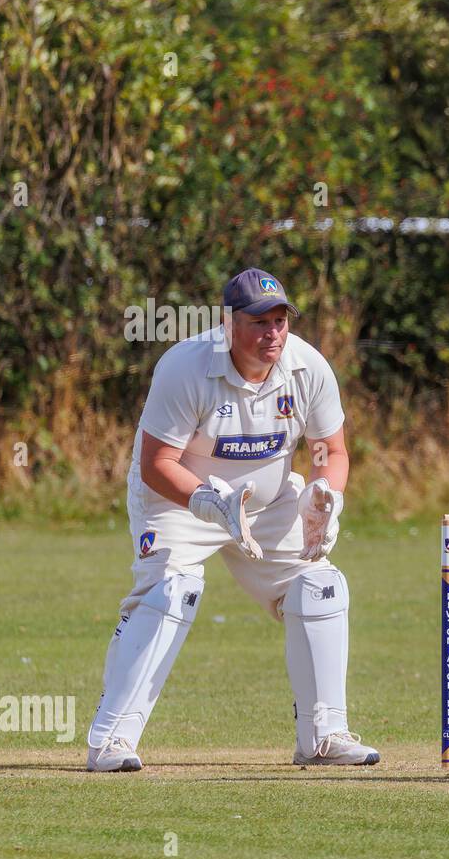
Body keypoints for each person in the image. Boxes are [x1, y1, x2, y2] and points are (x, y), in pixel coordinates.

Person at [86, 267, 379, 771]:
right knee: (171, 591)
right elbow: (157, 464)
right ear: (229, 323)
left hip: (267, 505)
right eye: (260, 321)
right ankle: (110, 741)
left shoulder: (308, 367)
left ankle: (323, 736)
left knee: (322, 584)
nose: (273, 333)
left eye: (281, 320)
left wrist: (324, 493)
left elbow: (331, 449)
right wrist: (206, 501)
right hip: (179, 500)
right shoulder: (186, 366)